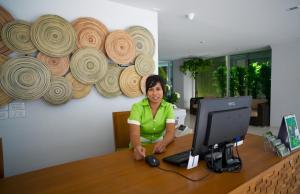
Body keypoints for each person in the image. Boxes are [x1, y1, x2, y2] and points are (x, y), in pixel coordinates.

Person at [128, 75, 175, 160]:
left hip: (159, 145)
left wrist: (163, 144)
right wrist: (137, 147)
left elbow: (170, 132)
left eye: (158, 89)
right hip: (139, 145)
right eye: (150, 89)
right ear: (146, 92)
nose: (154, 93)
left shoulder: (168, 107)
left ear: (163, 90)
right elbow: (134, 134)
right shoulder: (137, 107)